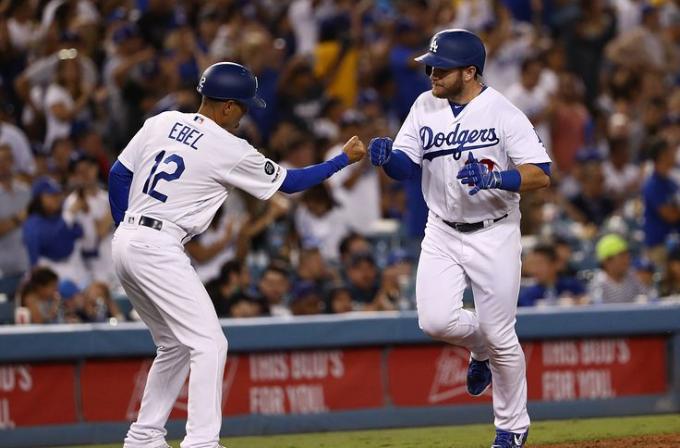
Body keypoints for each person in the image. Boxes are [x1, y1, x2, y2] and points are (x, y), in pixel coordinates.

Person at [107, 61, 365, 448]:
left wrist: (127, 227)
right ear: (227, 106)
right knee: (210, 343)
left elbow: (117, 175)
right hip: (157, 246)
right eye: (243, 106)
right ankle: (202, 442)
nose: (245, 115)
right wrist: (341, 159)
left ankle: (144, 437)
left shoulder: (160, 122)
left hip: (127, 240)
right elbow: (291, 183)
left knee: (175, 345)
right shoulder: (227, 146)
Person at [367, 29, 551, 447]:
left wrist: (496, 177)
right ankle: (480, 348)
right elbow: (405, 164)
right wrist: (387, 160)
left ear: (470, 71)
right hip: (442, 230)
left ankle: (511, 429)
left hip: (495, 231)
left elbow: (541, 172)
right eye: (431, 65)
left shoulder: (502, 112)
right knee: (434, 321)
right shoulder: (424, 104)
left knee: (502, 334)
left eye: (441, 67)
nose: (431, 72)